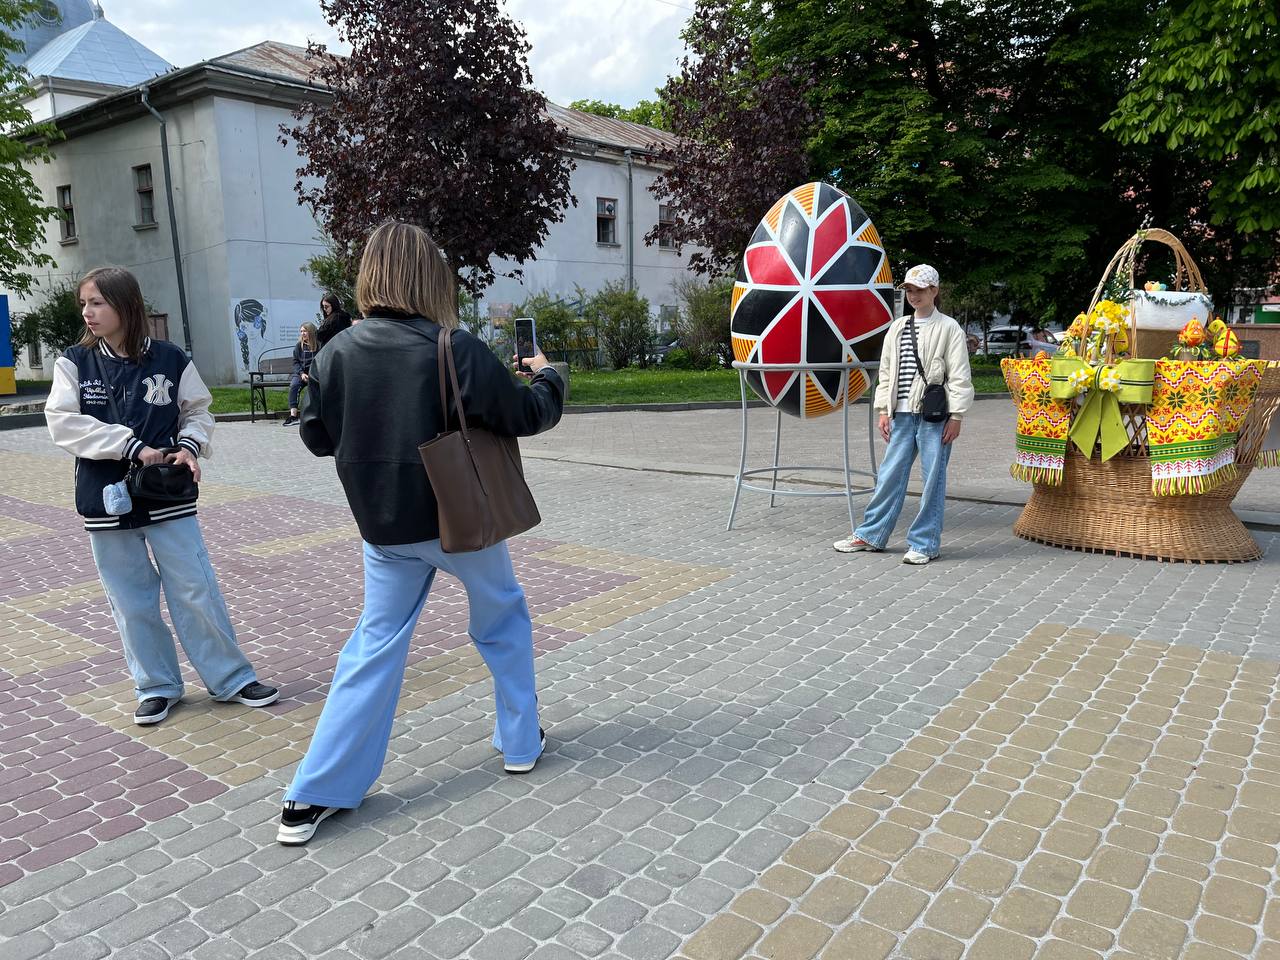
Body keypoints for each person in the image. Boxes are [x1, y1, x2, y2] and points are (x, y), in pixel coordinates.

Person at [278, 221, 565, 845]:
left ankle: (312, 793)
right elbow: (526, 414)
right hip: (463, 521)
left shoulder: (333, 354)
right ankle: (519, 742)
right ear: (429, 276)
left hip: (384, 527)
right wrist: (550, 375)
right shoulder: (452, 346)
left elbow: (316, 436)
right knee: (503, 621)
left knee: (372, 646)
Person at [45, 266, 279, 725]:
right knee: (130, 600)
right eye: (84, 304)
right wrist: (130, 446)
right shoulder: (74, 361)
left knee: (195, 589)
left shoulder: (171, 359)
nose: (87, 313)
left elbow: (198, 410)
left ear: (125, 305)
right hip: (105, 498)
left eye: (97, 303)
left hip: (168, 494)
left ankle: (231, 678)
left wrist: (190, 446)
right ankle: (156, 685)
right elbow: (63, 423)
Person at [833, 264, 974, 564]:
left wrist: (958, 415)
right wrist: (884, 409)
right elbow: (886, 372)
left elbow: (960, 375)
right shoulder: (897, 327)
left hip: (935, 417)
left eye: (920, 289)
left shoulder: (949, 328)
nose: (913, 295)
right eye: (909, 289)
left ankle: (924, 543)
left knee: (932, 480)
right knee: (889, 476)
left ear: (934, 291)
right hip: (902, 416)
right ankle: (871, 534)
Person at [282, 322, 318, 427]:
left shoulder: (319, 344)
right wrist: (302, 373)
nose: (303, 333)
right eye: (301, 331)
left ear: (311, 332)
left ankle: (316, 415)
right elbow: (295, 362)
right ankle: (293, 416)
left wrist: (312, 374)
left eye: (305, 331)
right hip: (301, 374)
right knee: (294, 385)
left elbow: (321, 360)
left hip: (314, 373)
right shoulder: (299, 346)